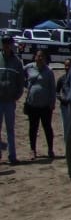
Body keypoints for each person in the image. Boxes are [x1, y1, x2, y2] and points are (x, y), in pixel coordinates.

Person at [24, 49, 57, 161]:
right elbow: (20, 75)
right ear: (35, 57)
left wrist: (52, 102)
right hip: (32, 104)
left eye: (42, 56)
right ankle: (32, 150)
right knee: (33, 128)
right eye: (38, 56)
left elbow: (53, 89)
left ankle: (50, 149)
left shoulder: (49, 71)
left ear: (45, 58)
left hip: (45, 105)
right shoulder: (29, 67)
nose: (40, 58)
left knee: (47, 127)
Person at [0, 35, 23, 165]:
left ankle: (12, 156)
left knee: (10, 130)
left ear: (12, 44)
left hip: (9, 101)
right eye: (4, 43)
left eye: (8, 43)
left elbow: (20, 81)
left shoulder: (17, 62)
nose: (6, 45)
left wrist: (17, 95)